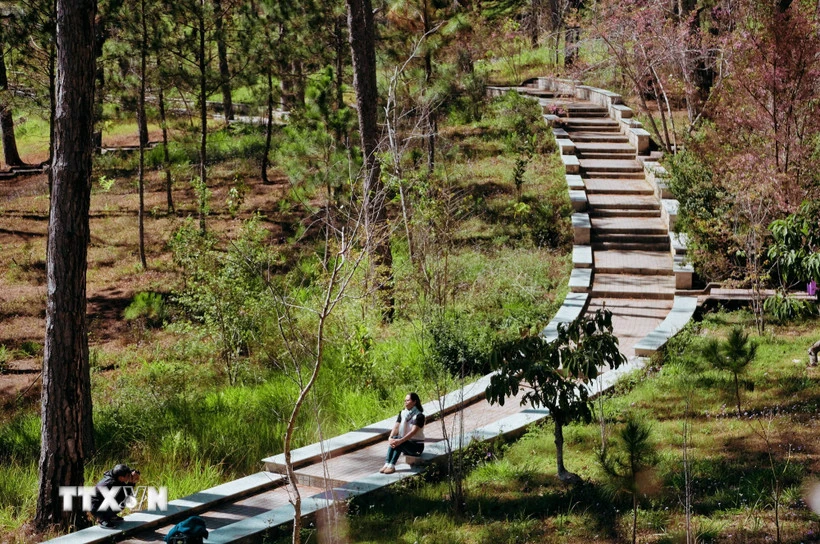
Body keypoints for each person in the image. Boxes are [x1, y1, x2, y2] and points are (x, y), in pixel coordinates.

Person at [380, 392, 425, 474]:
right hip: (406, 444)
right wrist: (390, 438)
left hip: (416, 447)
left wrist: (400, 441)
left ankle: (392, 465)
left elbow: (413, 432)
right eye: (405, 400)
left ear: (414, 402)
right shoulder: (403, 413)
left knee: (399, 440)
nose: (405, 402)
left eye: (407, 400)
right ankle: (387, 464)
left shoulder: (419, 416)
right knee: (395, 439)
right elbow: (396, 427)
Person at [90, 464, 141, 528]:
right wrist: (131, 483)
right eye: (128, 476)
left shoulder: (115, 475)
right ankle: (102, 519)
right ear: (121, 477)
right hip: (96, 508)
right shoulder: (111, 483)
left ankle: (111, 516)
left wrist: (134, 473)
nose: (129, 477)